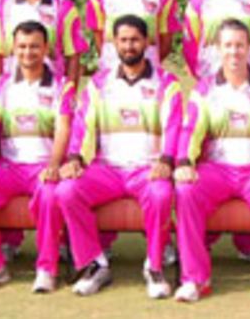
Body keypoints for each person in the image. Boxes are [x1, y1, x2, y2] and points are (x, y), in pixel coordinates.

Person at [56, 15, 183, 299]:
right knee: (67, 190)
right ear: (113, 44)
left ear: (147, 42)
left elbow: (174, 125)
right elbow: (83, 125)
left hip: (147, 169)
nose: (129, 45)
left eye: (135, 39)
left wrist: (166, 159)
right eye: (123, 40)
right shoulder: (98, 84)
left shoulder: (167, 83)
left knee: (162, 195)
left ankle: (154, 265)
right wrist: (75, 157)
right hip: (107, 169)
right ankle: (95, 263)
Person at [172, 20, 250, 304]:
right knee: (186, 190)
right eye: (227, 45)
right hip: (217, 170)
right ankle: (195, 279)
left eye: (240, 45)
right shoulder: (204, 90)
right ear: (218, 49)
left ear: (249, 48)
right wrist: (184, 161)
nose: (234, 52)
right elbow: (192, 129)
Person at [0, 22, 76, 293]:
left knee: (50, 195)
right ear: (13, 49)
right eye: (22, 46)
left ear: (46, 49)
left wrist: (53, 164)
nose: (28, 52)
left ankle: (47, 269)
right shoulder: (0, 85)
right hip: (9, 167)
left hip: (43, 167)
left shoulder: (62, 86)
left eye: (35, 46)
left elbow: (64, 128)